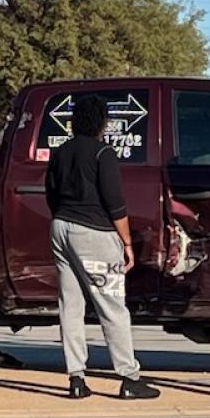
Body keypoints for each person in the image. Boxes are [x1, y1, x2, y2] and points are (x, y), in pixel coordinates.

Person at [45, 94, 160, 400]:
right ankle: (128, 376)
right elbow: (115, 204)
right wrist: (126, 242)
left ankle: (76, 378)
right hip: (93, 233)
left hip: (60, 229)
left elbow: (51, 194)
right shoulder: (103, 154)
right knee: (112, 306)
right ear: (101, 122)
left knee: (70, 305)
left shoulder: (60, 152)